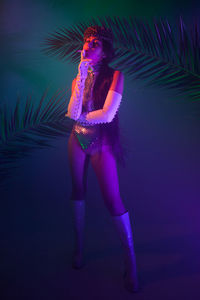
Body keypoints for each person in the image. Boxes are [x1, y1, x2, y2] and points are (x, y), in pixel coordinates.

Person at [65, 25, 139, 293]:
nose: (88, 45)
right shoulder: (78, 78)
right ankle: (80, 248)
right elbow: (73, 109)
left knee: (112, 199)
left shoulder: (116, 75)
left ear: (105, 51)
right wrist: (81, 74)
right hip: (77, 139)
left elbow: (107, 115)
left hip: (101, 141)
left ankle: (130, 261)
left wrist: (80, 117)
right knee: (77, 190)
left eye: (95, 43)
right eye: (86, 41)